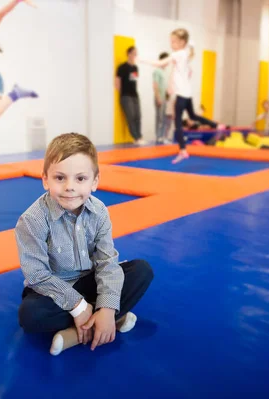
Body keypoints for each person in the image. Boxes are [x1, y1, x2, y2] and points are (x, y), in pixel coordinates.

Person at [15, 133, 154, 356]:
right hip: (54, 289)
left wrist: (107, 308)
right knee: (29, 315)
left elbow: (107, 262)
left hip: (89, 280)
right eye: (60, 178)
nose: (70, 187)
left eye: (80, 179)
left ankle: (99, 320)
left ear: (95, 182)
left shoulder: (99, 212)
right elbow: (37, 275)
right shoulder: (32, 220)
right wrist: (78, 307)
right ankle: (105, 321)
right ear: (45, 179)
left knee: (141, 271)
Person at [141, 29, 225, 163]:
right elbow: (183, 71)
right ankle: (216, 125)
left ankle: (183, 150)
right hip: (187, 94)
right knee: (193, 116)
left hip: (181, 94)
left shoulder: (178, 53)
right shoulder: (185, 54)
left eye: (174, 41)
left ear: (182, 42)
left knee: (178, 123)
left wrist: (142, 60)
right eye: (171, 41)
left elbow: (161, 63)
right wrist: (171, 85)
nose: (171, 44)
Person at [116, 47, 145, 145]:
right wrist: (122, 94)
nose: (135, 56)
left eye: (136, 54)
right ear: (128, 54)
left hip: (134, 95)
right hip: (126, 95)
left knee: (138, 116)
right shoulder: (122, 67)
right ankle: (136, 138)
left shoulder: (135, 68)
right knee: (131, 116)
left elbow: (134, 81)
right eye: (133, 53)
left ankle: (140, 136)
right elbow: (117, 83)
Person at [153, 52, 172, 144]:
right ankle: (158, 136)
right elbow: (155, 85)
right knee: (159, 117)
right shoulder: (157, 71)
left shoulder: (164, 72)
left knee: (164, 117)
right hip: (159, 97)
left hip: (164, 97)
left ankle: (163, 136)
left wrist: (167, 95)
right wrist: (158, 97)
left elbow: (165, 86)